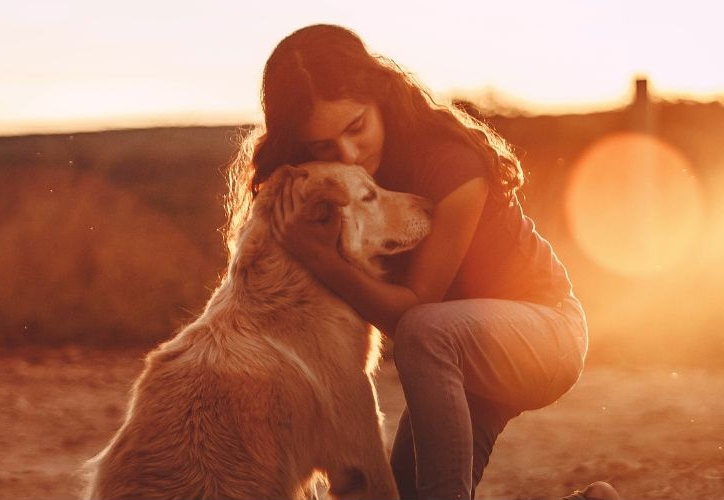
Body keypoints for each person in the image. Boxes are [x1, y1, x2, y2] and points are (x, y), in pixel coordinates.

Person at [225, 24, 618, 500]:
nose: (348, 154)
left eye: (356, 128)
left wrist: (320, 257)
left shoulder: (450, 163)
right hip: (456, 356)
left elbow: (415, 309)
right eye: (323, 147)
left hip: (543, 333)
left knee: (425, 329)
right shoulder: (330, 185)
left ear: (379, 97)